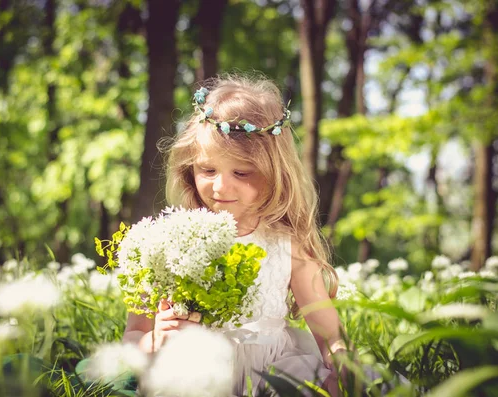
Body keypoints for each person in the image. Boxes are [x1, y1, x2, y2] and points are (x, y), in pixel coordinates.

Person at [122, 73, 349, 396]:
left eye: (241, 173)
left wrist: (341, 366)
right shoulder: (167, 244)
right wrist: (155, 339)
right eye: (207, 170)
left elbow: (330, 337)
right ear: (189, 168)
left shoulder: (286, 244)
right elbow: (132, 337)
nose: (221, 187)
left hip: (275, 372)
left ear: (275, 175)